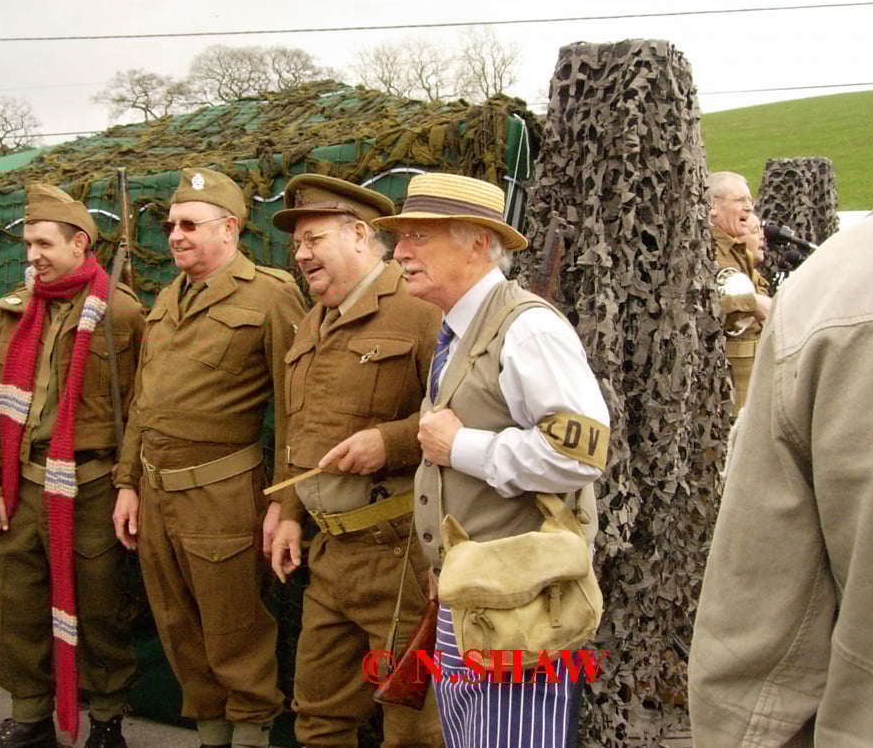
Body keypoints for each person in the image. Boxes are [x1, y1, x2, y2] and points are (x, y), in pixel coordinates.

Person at [373, 173, 610, 748]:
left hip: (521, 606)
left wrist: (462, 448)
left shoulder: (527, 328)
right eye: (401, 237)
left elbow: (582, 450)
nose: (400, 251)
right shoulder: (461, 327)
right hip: (475, 595)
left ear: (478, 242)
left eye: (419, 236)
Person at [689, 186, 873, 745]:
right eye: (740, 203)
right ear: (711, 209)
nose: (752, 214)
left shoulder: (834, 285)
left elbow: (756, 658)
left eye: (754, 205)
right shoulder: (722, 260)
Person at [111, 168, 305, 748]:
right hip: (156, 495)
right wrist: (127, 483)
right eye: (172, 224)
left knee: (235, 637)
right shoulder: (168, 298)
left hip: (223, 497)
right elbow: (144, 402)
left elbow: (299, 407)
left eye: (189, 224)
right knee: (180, 636)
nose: (174, 234)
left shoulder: (270, 295)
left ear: (230, 228)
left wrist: (288, 501)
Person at [267, 174, 444, 748]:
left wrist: (388, 442)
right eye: (296, 245)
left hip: (402, 562)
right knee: (317, 716)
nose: (300, 254)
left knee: (413, 725)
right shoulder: (313, 321)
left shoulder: (420, 311)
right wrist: (290, 510)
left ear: (362, 236)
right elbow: (301, 429)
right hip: (330, 555)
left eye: (313, 239)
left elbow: (471, 418)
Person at [0, 184, 144, 748]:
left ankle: (107, 721)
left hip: (92, 487)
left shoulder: (121, 311)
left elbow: (141, 409)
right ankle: (30, 717)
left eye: (43, 244)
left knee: (101, 612)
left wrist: (128, 485)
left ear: (79, 242)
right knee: (13, 606)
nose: (32, 257)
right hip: (21, 485)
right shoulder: (14, 310)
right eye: (27, 246)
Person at [708, 171, 771, 414]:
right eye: (740, 201)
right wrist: (753, 303)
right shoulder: (709, 249)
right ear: (713, 206)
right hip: (731, 382)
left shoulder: (736, 250)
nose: (748, 207)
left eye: (750, 201)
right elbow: (709, 304)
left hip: (751, 374)